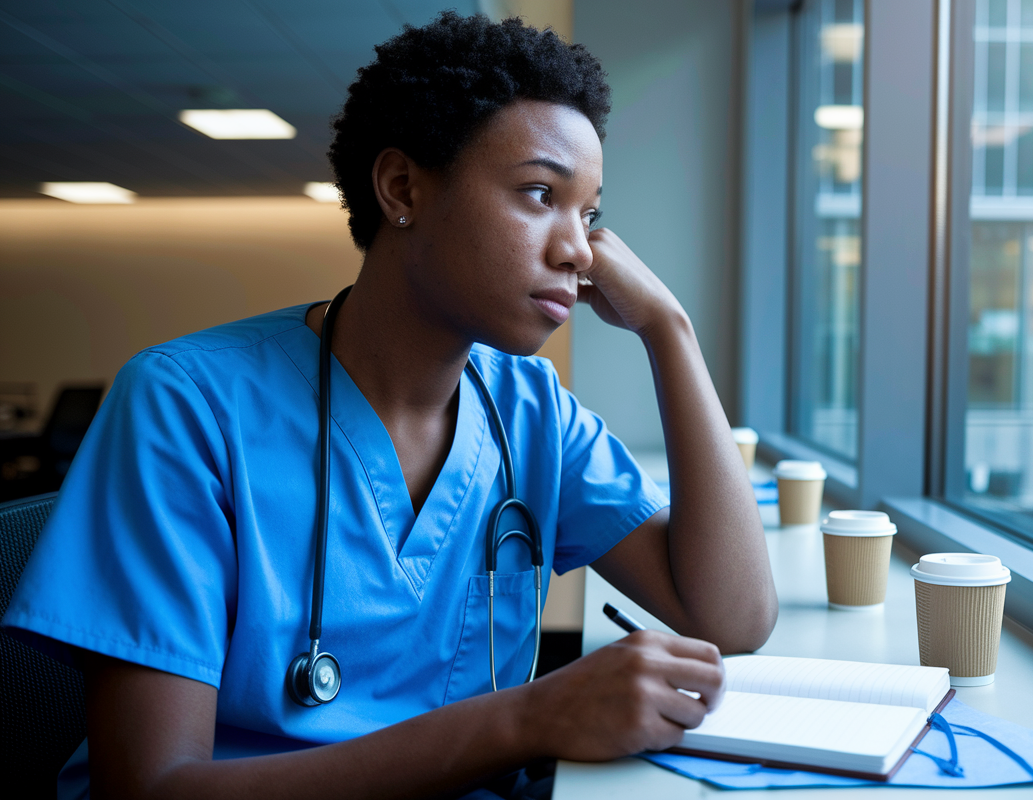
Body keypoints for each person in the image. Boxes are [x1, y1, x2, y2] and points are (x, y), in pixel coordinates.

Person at [1, 11, 777, 800]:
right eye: (540, 194)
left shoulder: (531, 413)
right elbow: (149, 787)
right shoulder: (185, 407)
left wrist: (667, 330)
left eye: (590, 216)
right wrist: (523, 721)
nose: (578, 251)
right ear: (402, 188)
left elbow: (733, 618)